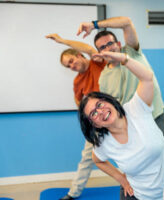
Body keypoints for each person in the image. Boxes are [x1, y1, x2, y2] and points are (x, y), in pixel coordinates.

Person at [78, 51, 164, 200]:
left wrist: (124, 59)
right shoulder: (103, 143)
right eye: (94, 114)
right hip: (140, 196)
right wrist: (121, 179)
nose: (101, 111)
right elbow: (98, 160)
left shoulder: (136, 107)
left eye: (100, 104)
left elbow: (147, 78)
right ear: (94, 124)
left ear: (109, 100)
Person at [77, 16, 164, 146]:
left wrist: (94, 25)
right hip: (133, 125)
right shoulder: (103, 78)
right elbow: (113, 106)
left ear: (119, 45)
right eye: (103, 47)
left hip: (155, 116)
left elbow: (126, 22)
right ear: (100, 53)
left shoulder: (131, 53)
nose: (108, 48)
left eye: (110, 43)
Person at [46, 34, 106, 200]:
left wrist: (62, 41)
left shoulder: (98, 63)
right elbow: (78, 101)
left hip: (116, 119)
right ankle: (73, 193)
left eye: (71, 61)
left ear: (79, 55)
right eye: (68, 66)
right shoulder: (77, 81)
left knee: (129, 154)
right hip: (96, 124)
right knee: (87, 158)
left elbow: (88, 49)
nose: (71, 66)